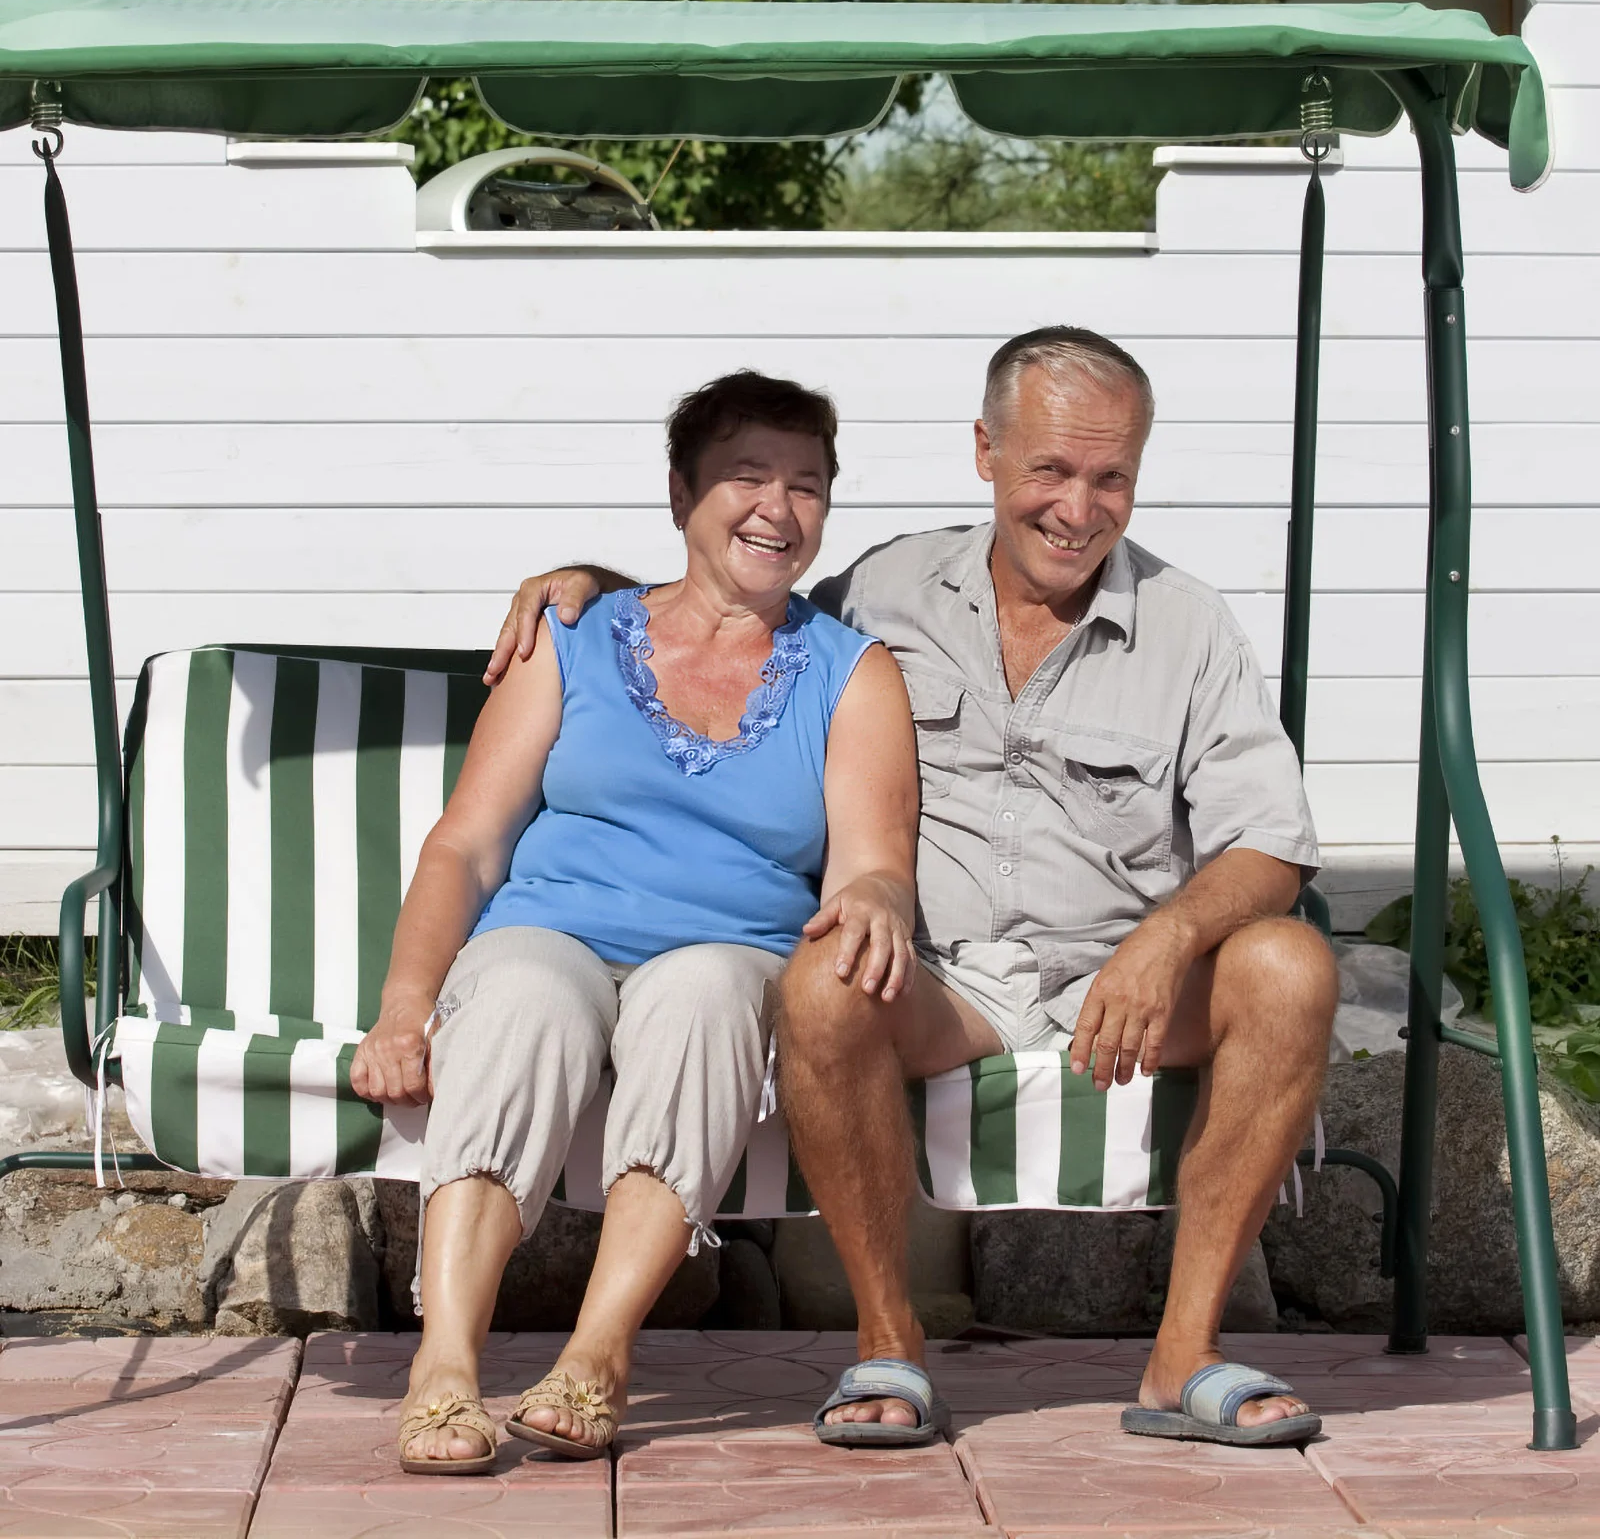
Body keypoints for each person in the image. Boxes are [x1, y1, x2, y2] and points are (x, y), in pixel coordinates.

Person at [489, 327, 1339, 1451]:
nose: (1077, 508)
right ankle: (889, 1342)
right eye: (1049, 470)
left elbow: (1271, 843)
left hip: (1118, 984)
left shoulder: (1190, 626)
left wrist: (1165, 938)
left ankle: (1182, 1355)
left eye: (1110, 477)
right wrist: (596, 590)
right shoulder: (880, 593)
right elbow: (735, 599)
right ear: (985, 452)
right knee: (826, 980)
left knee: (1292, 962)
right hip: (940, 981)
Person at [353, 370, 918, 1472]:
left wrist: (874, 896)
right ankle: (446, 1365)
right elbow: (466, 843)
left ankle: (600, 1354)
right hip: (551, 928)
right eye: (747, 475)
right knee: (518, 993)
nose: (778, 507)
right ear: (681, 493)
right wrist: (405, 1006)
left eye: (807, 485)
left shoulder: (854, 674)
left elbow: (872, 864)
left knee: (706, 999)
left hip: (729, 950)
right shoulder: (571, 632)